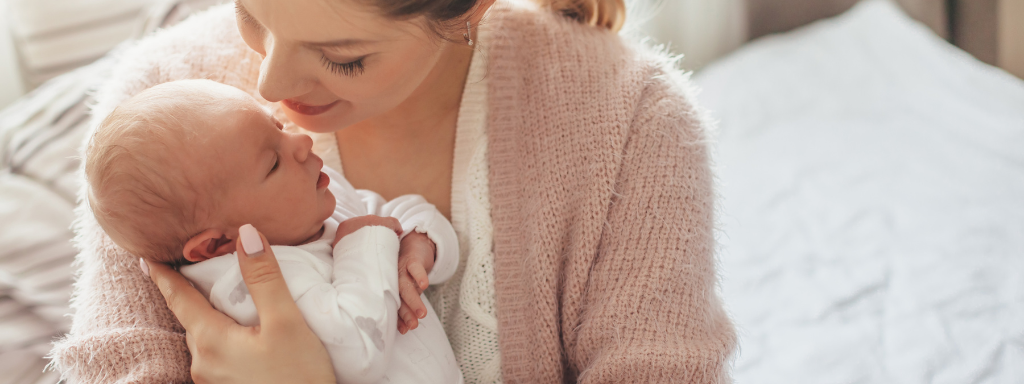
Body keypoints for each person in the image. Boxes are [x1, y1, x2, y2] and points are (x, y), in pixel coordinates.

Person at [50, 0, 737, 382]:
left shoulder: (630, 121)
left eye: (343, 56)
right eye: (252, 13)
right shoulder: (159, 110)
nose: (270, 86)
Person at [83, 79, 463, 383]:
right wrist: (363, 242)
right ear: (218, 243)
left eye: (278, 127)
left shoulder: (316, 203)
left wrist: (418, 242)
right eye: (272, 164)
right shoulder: (249, 286)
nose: (301, 143)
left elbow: (394, 212)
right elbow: (360, 353)